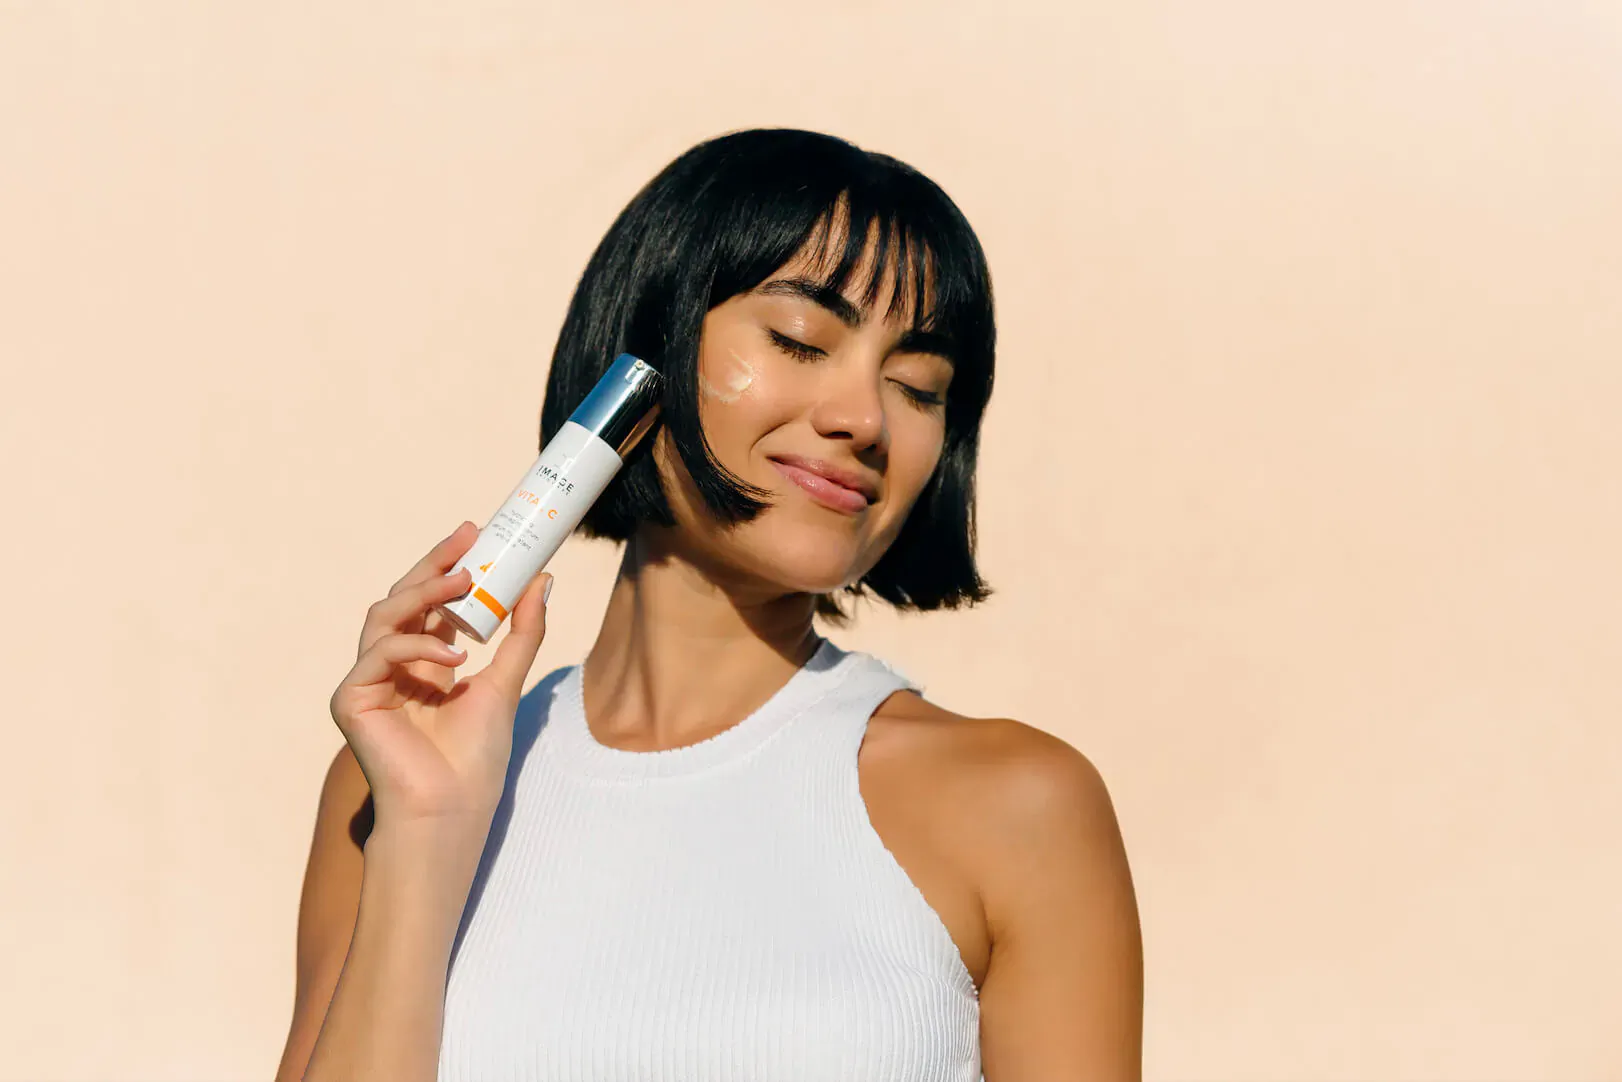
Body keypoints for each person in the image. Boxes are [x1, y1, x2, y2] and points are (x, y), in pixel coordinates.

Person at [274, 127, 1143, 1082]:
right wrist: (427, 835)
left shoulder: (1015, 804)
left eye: (917, 386)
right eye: (800, 341)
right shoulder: (393, 786)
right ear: (646, 355)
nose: (863, 417)